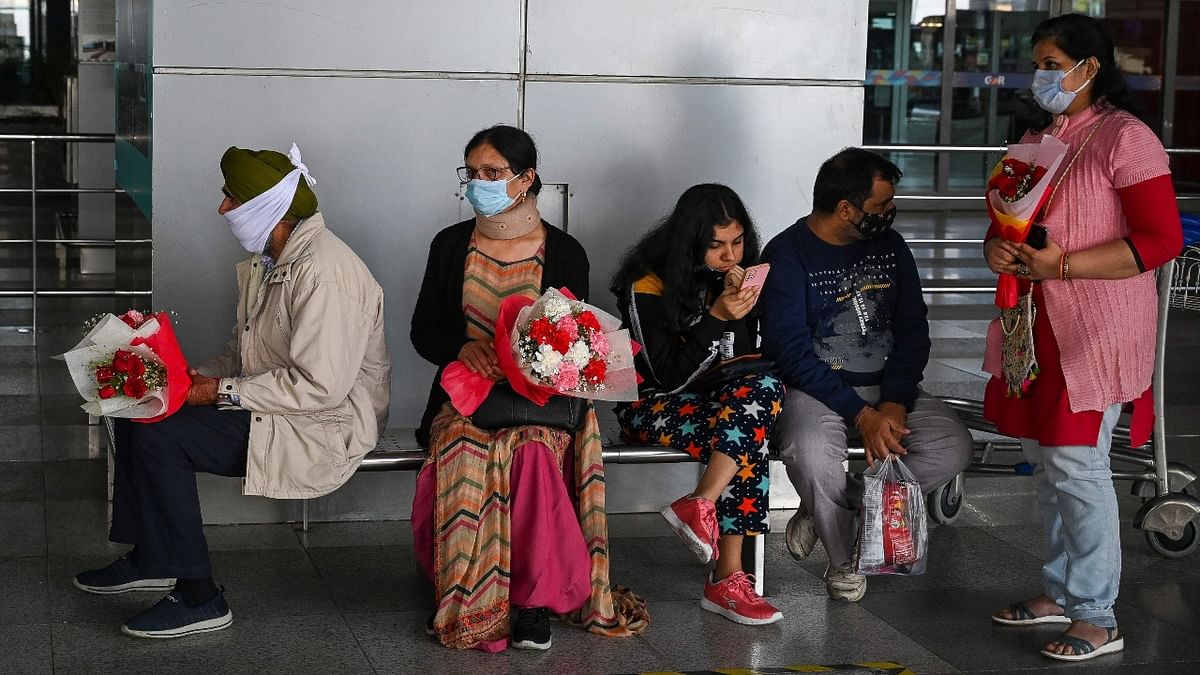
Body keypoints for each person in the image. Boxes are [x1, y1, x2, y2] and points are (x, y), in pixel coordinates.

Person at [72, 144, 391, 638]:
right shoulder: (273, 259)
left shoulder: (325, 274)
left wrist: (214, 391)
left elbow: (320, 388)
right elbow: (245, 354)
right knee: (136, 409)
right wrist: (176, 378)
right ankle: (153, 554)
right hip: (280, 407)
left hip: (322, 426)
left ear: (269, 205)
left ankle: (200, 596)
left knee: (163, 435)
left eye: (231, 197)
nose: (223, 208)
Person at [983, 14, 1182, 663]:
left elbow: (1161, 240)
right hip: (1035, 325)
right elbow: (1008, 223)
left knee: (1076, 463)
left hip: (1096, 327)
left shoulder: (1127, 139)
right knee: (1047, 464)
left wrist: (1061, 265)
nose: (1040, 75)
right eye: (1037, 62)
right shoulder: (1038, 138)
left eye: (1050, 62)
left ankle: (1098, 611)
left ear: (1089, 68)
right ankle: (1062, 590)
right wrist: (1000, 253)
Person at [410, 124, 646, 651]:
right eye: (471, 173)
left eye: (493, 173)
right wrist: (461, 348)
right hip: (463, 395)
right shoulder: (450, 245)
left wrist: (527, 364)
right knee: (463, 454)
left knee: (535, 458)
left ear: (527, 179)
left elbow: (575, 344)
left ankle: (532, 605)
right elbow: (423, 329)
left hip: (543, 400)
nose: (480, 183)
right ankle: (463, 595)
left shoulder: (564, 251)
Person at [761, 147, 974, 603]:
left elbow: (913, 329)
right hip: (814, 388)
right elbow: (790, 354)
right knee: (809, 452)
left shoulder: (891, 248)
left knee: (952, 445)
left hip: (888, 387)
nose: (889, 215)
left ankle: (828, 508)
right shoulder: (786, 254)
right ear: (845, 209)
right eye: (880, 207)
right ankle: (845, 562)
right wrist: (862, 415)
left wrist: (894, 400)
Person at [610, 183, 786, 626]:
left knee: (755, 400)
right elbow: (666, 376)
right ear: (690, 243)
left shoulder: (737, 277)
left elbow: (745, 367)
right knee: (748, 429)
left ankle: (701, 502)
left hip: (725, 406)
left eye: (738, 242)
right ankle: (727, 579)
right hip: (653, 405)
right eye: (717, 246)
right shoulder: (645, 283)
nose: (731, 256)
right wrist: (718, 318)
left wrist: (746, 310)